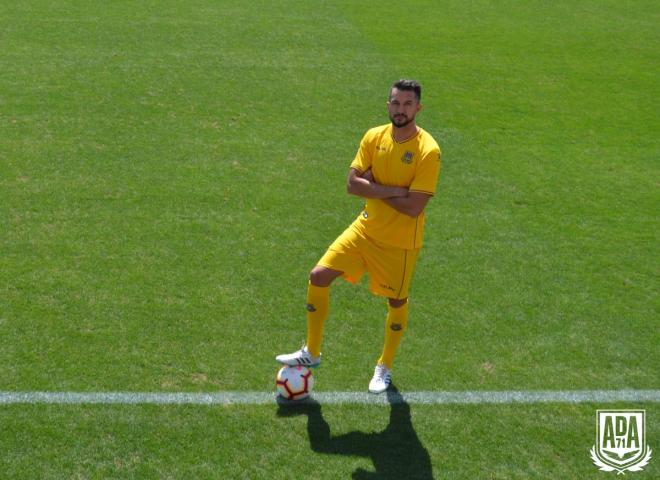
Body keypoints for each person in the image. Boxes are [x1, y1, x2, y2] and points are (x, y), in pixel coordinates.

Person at [276, 79, 442, 393]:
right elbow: (353, 185)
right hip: (364, 230)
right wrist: (394, 190)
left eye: (408, 104)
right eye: (396, 103)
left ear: (418, 108)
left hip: (400, 243)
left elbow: (414, 207)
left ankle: (384, 366)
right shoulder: (373, 136)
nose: (401, 110)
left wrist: (374, 187)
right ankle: (311, 352)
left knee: (397, 300)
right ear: (388, 105)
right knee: (319, 276)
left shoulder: (428, 151)